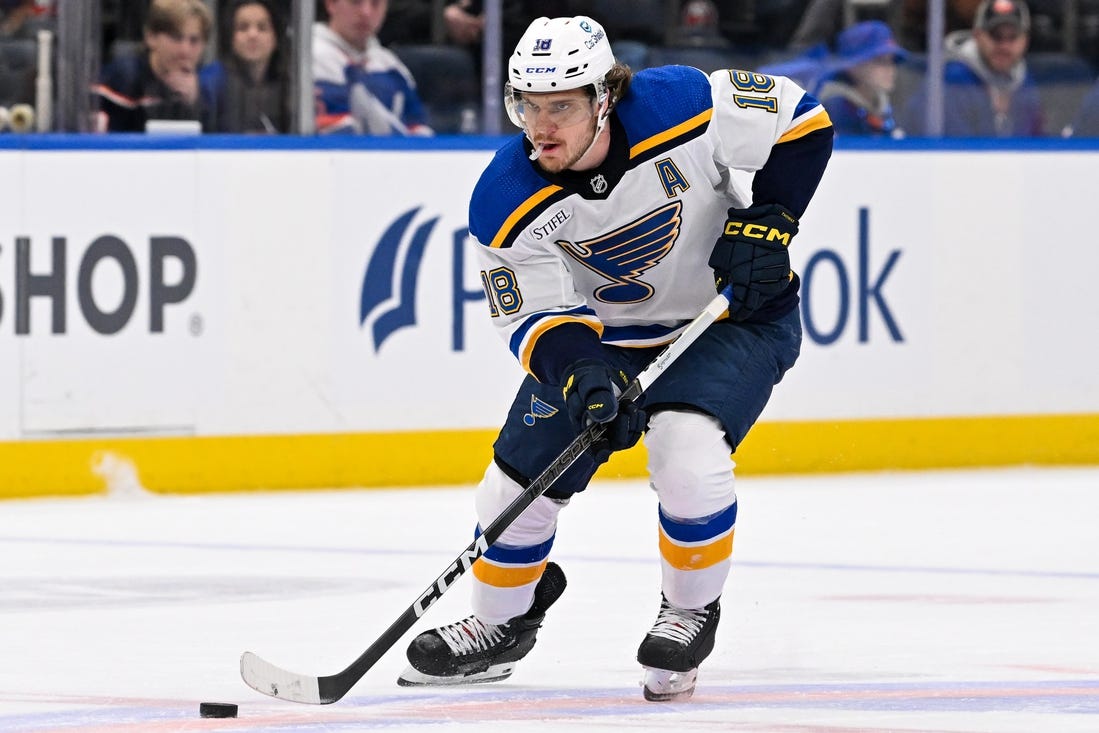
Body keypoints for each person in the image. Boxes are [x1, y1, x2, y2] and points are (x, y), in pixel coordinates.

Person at [397, 15, 833, 701]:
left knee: (685, 449)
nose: (541, 126)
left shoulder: (682, 104)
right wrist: (582, 371)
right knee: (514, 486)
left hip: (727, 316)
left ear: (604, 96)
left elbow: (800, 118)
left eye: (560, 106)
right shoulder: (504, 198)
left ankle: (688, 611)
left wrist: (770, 217)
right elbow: (534, 313)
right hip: (608, 339)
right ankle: (498, 624)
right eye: (528, 106)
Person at [902, 0, 1044, 136]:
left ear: (1025, 40)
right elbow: (957, 151)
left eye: (1012, 37)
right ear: (977, 35)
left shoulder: (1024, 82)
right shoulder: (951, 80)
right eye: (996, 36)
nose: (1004, 46)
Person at [313, 0, 433, 135]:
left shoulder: (391, 65)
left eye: (375, 4)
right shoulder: (312, 56)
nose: (366, 12)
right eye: (355, 2)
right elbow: (338, 134)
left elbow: (419, 127)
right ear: (331, 4)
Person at [94, 0, 212, 132]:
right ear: (150, 37)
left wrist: (194, 104)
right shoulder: (122, 79)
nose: (185, 50)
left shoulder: (205, 91)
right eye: (176, 38)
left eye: (194, 41)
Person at [200, 0, 290, 133]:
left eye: (262, 27)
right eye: (243, 27)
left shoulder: (290, 83)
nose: (252, 35)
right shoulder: (209, 82)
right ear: (231, 38)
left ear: (275, 38)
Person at [815, 21, 907, 137]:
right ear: (853, 66)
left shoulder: (883, 108)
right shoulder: (836, 110)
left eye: (892, 61)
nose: (890, 70)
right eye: (881, 61)